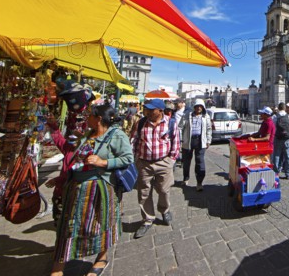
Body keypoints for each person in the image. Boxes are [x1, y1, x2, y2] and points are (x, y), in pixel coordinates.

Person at [51, 104, 133, 276]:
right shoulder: (87, 135)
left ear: (98, 119)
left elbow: (127, 158)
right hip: (76, 189)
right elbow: (77, 159)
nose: (86, 118)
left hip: (99, 189)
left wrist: (103, 162)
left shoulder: (117, 135)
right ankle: (58, 267)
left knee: (100, 224)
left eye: (90, 116)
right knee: (68, 227)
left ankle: (102, 257)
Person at [132, 99, 180, 239]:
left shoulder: (170, 123)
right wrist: (135, 159)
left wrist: (171, 160)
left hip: (163, 162)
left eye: (151, 110)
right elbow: (134, 141)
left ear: (160, 111)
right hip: (144, 163)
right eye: (146, 109)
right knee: (144, 193)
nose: (147, 112)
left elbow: (175, 143)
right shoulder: (141, 122)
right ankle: (147, 219)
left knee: (164, 190)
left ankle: (164, 210)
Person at [43, 117, 78, 227]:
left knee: (66, 222)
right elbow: (59, 140)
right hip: (60, 192)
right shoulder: (69, 149)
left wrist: (57, 180)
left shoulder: (82, 155)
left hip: (70, 193)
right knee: (59, 220)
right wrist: (53, 126)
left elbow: (73, 174)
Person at [179, 98, 212, 191]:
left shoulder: (206, 117)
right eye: (197, 106)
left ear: (203, 108)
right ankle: (186, 178)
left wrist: (209, 140)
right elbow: (180, 127)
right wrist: (181, 140)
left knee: (200, 162)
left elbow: (209, 129)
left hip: (200, 141)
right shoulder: (187, 115)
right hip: (188, 141)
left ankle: (199, 182)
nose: (198, 108)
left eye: (200, 106)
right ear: (194, 107)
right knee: (186, 162)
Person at [273, 102, 289, 180]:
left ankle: (275, 173)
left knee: (276, 156)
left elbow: (273, 126)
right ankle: (288, 174)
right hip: (287, 139)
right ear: (284, 108)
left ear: (279, 108)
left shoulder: (275, 116)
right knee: (288, 157)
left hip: (278, 138)